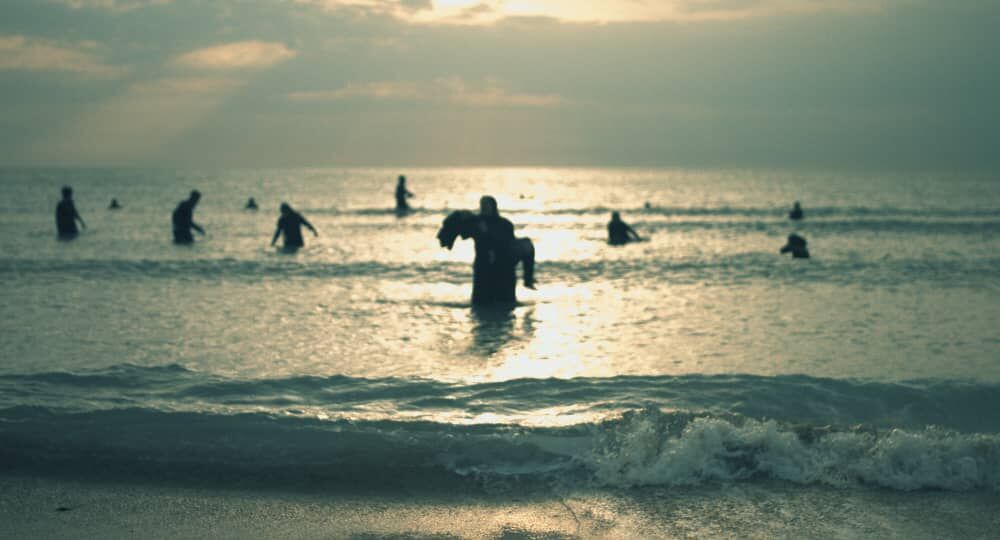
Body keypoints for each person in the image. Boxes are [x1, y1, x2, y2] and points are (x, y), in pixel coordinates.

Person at [471, 196, 520, 305]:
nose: (484, 208)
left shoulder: (505, 224)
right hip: (483, 265)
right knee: (480, 304)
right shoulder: (476, 223)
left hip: (503, 267)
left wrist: (486, 232)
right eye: (482, 205)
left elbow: (508, 243)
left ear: (493, 206)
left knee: (506, 304)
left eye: (486, 205)